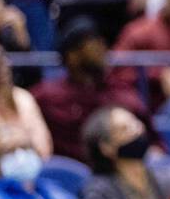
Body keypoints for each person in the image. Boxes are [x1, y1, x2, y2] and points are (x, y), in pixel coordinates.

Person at [31, 17, 153, 162]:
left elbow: (152, 138)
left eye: (101, 41)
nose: (102, 48)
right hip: (69, 175)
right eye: (92, 42)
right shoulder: (46, 96)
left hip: (121, 172)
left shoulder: (121, 90)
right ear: (72, 55)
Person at [0, 45, 51, 158]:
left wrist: (20, 142)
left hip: (33, 166)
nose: (2, 67)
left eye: (2, 61)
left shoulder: (23, 97)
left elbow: (44, 149)